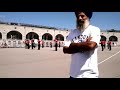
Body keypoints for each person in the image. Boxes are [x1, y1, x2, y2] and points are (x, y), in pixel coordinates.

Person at [63, 11, 101, 78]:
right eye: (78, 16)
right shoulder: (73, 32)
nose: (79, 18)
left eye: (82, 16)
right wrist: (84, 44)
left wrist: (72, 45)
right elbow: (65, 49)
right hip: (73, 74)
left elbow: (90, 46)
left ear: (88, 17)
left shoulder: (94, 29)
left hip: (89, 74)